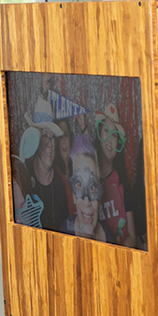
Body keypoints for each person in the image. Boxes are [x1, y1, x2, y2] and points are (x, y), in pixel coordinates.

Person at [95, 104, 137, 247]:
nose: (110, 140)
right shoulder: (90, 178)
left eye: (114, 134)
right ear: (99, 133)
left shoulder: (122, 182)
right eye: (106, 130)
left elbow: (132, 235)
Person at [63, 134, 110, 242]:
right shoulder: (63, 233)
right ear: (74, 196)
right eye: (79, 185)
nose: (86, 200)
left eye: (92, 187)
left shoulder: (110, 241)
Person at [23, 120, 69, 232]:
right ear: (36, 141)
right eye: (45, 135)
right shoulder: (24, 176)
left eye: (52, 137)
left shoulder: (60, 185)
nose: (50, 144)